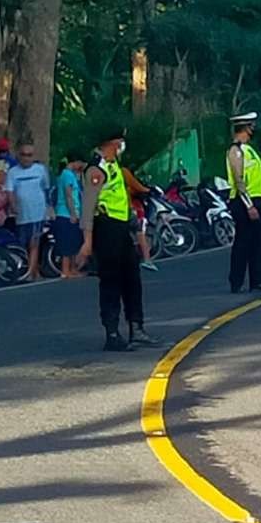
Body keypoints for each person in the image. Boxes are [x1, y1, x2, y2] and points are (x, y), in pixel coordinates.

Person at [76, 125, 158, 352]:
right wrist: (88, 242)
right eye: (120, 142)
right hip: (106, 228)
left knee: (132, 278)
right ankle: (112, 333)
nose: (122, 147)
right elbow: (88, 209)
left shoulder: (114, 166)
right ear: (112, 143)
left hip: (122, 229)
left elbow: (122, 199)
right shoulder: (96, 170)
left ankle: (137, 328)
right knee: (111, 281)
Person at [226, 111, 261, 295]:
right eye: (251, 126)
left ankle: (257, 281)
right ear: (245, 128)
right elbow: (239, 180)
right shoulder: (236, 151)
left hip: (256, 199)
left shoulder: (249, 150)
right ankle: (236, 281)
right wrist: (249, 205)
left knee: (258, 243)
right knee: (243, 243)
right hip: (244, 202)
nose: (253, 129)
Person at [5, 143, 51, 282]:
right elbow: (10, 191)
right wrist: (13, 205)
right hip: (22, 214)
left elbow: (46, 188)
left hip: (37, 212)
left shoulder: (40, 170)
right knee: (23, 243)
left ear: (34, 156)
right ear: (19, 156)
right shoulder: (13, 172)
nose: (26, 158)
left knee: (34, 242)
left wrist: (49, 208)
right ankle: (31, 269)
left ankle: (32, 272)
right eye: (23, 155)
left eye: (29, 155)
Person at [53, 153, 86, 279]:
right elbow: (68, 195)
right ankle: (65, 270)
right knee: (67, 244)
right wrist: (73, 213)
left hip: (72, 214)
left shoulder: (71, 175)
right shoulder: (67, 175)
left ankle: (73, 269)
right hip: (66, 214)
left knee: (73, 243)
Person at [121, 163, 158, 272]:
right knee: (139, 232)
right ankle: (147, 260)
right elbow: (137, 186)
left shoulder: (97, 172)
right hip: (125, 209)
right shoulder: (122, 171)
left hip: (108, 212)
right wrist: (148, 190)